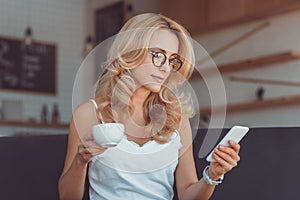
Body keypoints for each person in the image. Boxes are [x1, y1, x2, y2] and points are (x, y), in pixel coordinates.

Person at [58, 13, 241, 200]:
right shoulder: (90, 114)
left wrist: (212, 175)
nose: (166, 68)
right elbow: (67, 197)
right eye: (157, 55)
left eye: (172, 60)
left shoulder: (177, 119)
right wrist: (80, 161)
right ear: (131, 51)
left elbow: (188, 194)